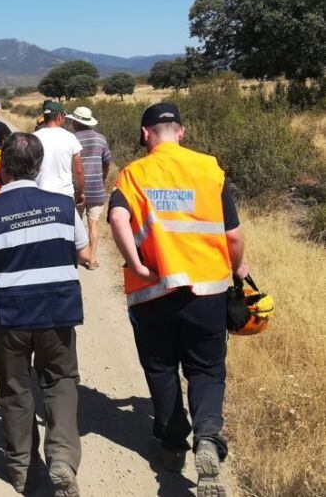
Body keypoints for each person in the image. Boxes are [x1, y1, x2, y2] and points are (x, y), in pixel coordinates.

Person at [108, 103, 247, 497]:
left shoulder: (133, 174)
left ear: (145, 133)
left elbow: (118, 220)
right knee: (206, 369)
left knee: (161, 367)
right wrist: (237, 269)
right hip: (206, 291)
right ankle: (207, 438)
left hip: (153, 292)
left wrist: (136, 265)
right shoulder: (209, 169)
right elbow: (233, 237)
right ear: (181, 132)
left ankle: (172, 445)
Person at [0, 133, 90, 497]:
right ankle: (63, 457)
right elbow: (83, 253)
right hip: (58, 310)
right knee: (61, 381)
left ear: (1, 168)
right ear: (38, 167)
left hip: (9, 314)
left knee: (15, 389)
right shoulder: (63, 206)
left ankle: (21, 469)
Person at [68, 107, 113, 270]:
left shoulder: (71, 139)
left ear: (76, 122)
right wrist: (102, 179)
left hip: (77, 188)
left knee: (75, 224)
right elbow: (107, 162)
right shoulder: (100, 139)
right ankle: (92, 259)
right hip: (96, 187)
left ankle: (76, 257)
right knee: (93, 223)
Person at [34, 102, 86, 208]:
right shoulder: (70, 138)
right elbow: (78, 170)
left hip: (40, 193)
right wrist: (81, 192)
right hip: (64, 194)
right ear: (59, 117)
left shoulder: (33, 138)